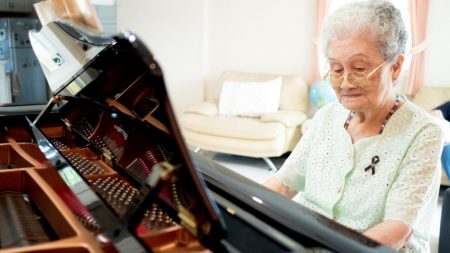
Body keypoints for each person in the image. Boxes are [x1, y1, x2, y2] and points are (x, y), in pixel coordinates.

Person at [264, 1, 443, 252]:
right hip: (308, 241)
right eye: (336, 69)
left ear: (396, 67)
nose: (345, 83)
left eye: (359, 69)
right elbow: (285, 182)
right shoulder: (326, 116)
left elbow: (397, 227)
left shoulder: (422, 132)